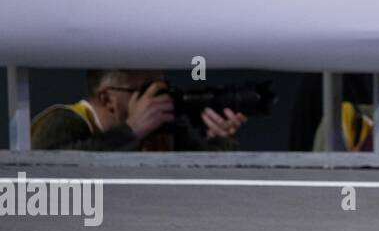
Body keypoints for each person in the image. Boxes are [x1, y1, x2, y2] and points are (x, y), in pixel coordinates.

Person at [32, 69, 245, 150]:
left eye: (160, 87)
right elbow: (49, 178)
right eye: (145, 90)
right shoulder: (63, 120)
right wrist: (131, 130)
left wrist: (219, 140)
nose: (157, 97)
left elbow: (202, 188)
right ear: (107, 99)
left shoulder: (163, 127)